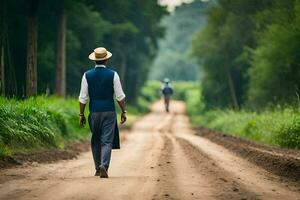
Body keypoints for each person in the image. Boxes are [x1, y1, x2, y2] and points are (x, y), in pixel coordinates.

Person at [78, 47, 127, 178]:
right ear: (106, 60)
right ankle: (104, 165)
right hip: (109, 112)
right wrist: (123, 111)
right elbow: (120, 96)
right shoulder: (113, 74)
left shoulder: (86, 75)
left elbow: (83, 98)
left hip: (93, 112)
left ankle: (97, 168)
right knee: (106, 141)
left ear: (95, 60)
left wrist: (81, 114)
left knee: (95, 139)